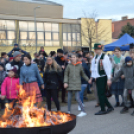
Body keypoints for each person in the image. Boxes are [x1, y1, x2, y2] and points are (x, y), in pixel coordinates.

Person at [89, 43, 113, 115]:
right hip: (98, 77)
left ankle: (103, 109)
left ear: (100, 49)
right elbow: (93, 69)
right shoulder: (95, 58)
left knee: (101, 94)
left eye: (97, 49)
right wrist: (92, 77)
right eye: (95, 49)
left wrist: (109, 79)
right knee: (101, 93)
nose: (95, 51)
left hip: (103, 77)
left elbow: (108, 68)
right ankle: (109, 106)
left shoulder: (105, 57)